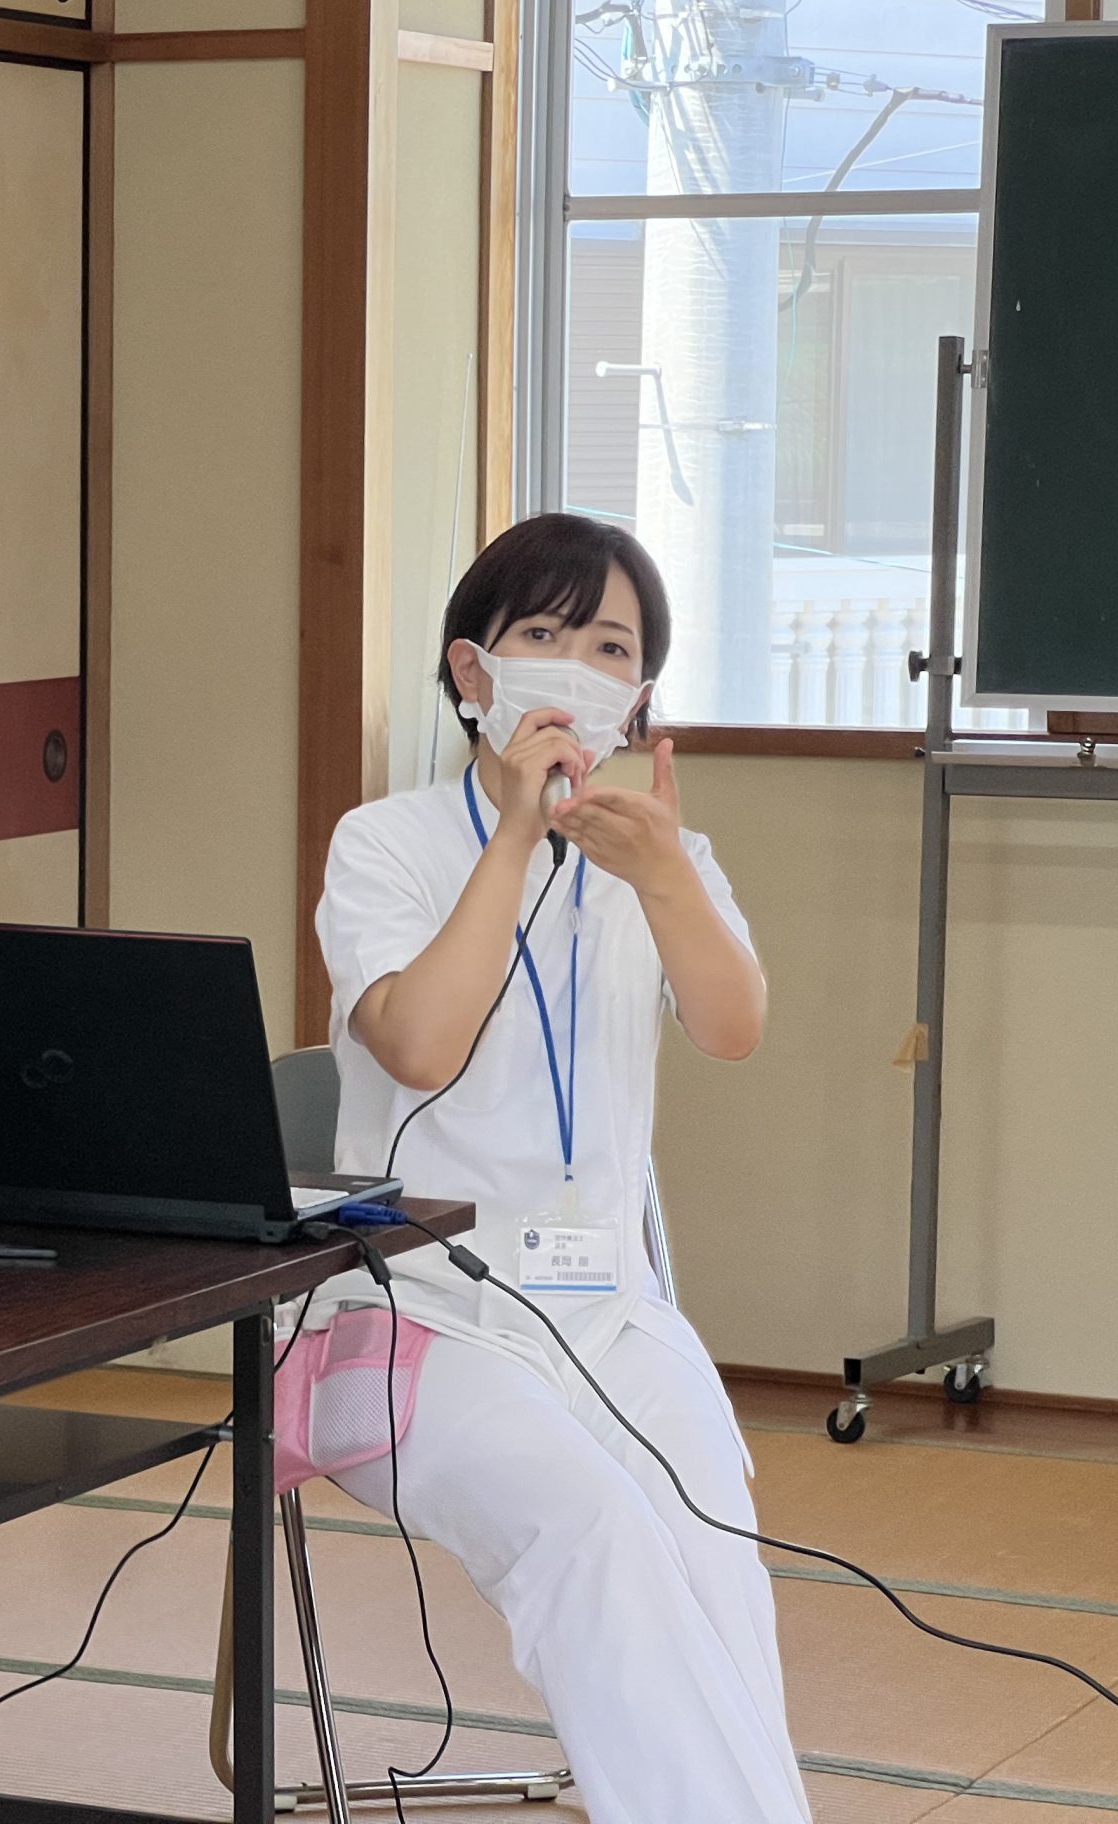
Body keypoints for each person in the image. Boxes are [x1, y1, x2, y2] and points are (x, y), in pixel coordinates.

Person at [308, 511, 808, 1823]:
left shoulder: (664, 860)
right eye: (546, 634)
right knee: (592, 1530)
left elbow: (734, 1028)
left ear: (638, 699)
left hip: (608, 1313)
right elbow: (419, 1045)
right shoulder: (385, 843)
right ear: (474, 672)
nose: (579, 669)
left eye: (613, 649)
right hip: (409, 1321)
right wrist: (517, 839)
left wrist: (666, 881)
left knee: (712, 1546)